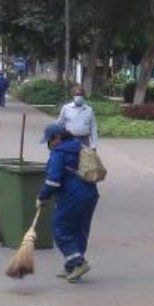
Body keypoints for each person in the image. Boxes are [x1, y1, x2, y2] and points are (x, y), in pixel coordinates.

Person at [37, 121, 99, 282]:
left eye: (50, 140)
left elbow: (53, 180)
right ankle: (72, 267)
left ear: (57, 138)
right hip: (90, 194)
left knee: (60, 229)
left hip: (72, 196)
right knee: (79, 230)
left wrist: (43, 197)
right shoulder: (79, 146)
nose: (49, 144)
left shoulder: (59, 153)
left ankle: (78, 262)